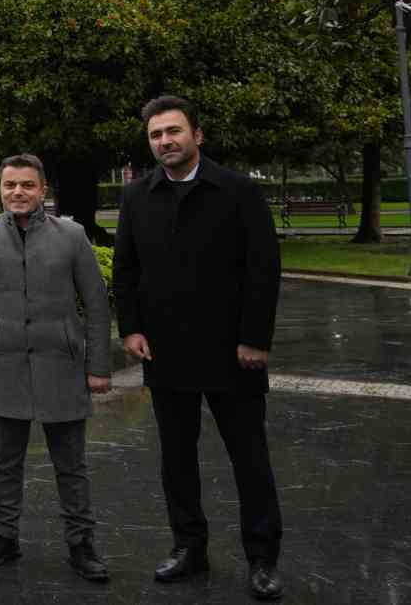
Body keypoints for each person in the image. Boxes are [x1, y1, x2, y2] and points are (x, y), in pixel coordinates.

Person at [113, 96, 284, 600]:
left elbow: (263, 269)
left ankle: (262, 559)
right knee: (177, 461)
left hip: (234, 353)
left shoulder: (238, 191)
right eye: (155, 135)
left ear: (197, 135)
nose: (165, 141)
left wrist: (255, 338)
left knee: (250, 460)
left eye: (173, 131)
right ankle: (189, 548)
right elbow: (126, 270)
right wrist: (131, 329)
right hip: (166, 352)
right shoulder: (137, 196)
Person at [0, 154, 112, 581]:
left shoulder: (73, 236)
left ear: (42, 189)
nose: (18, 193)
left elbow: (97, 305)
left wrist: (99, 366)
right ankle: (3, 536)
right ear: (0, 189)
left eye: (27, 185)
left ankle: (82, 544)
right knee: (4, 461)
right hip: (3, 364)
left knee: (72, 464)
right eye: (10, 185)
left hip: (62, 365)